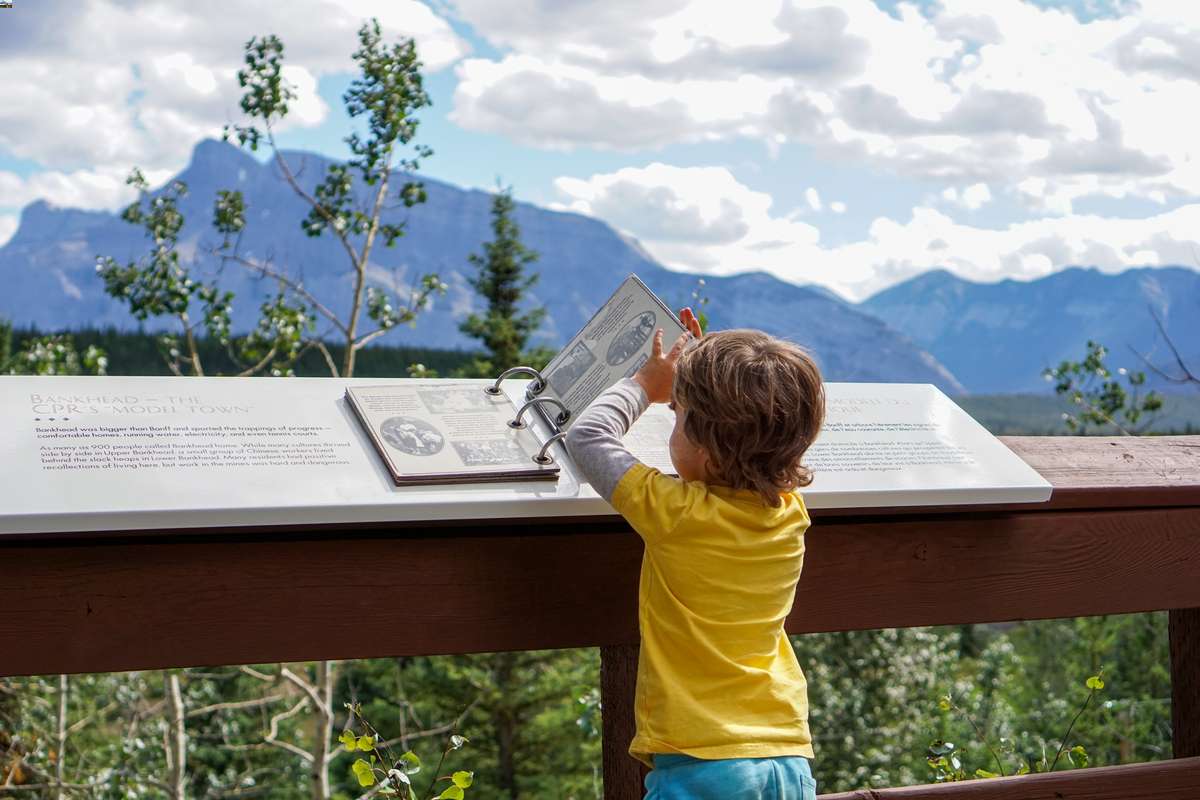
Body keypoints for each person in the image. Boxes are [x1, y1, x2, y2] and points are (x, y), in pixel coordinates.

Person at [565, 308, 825, 800]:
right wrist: (703, 377)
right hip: (785, 752)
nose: (673, 423)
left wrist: (647, 383)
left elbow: (589, 436)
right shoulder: (790, 511)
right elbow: (753, 427)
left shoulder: (677, 514)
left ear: (706, 447)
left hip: (702, 761)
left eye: (678, 417)